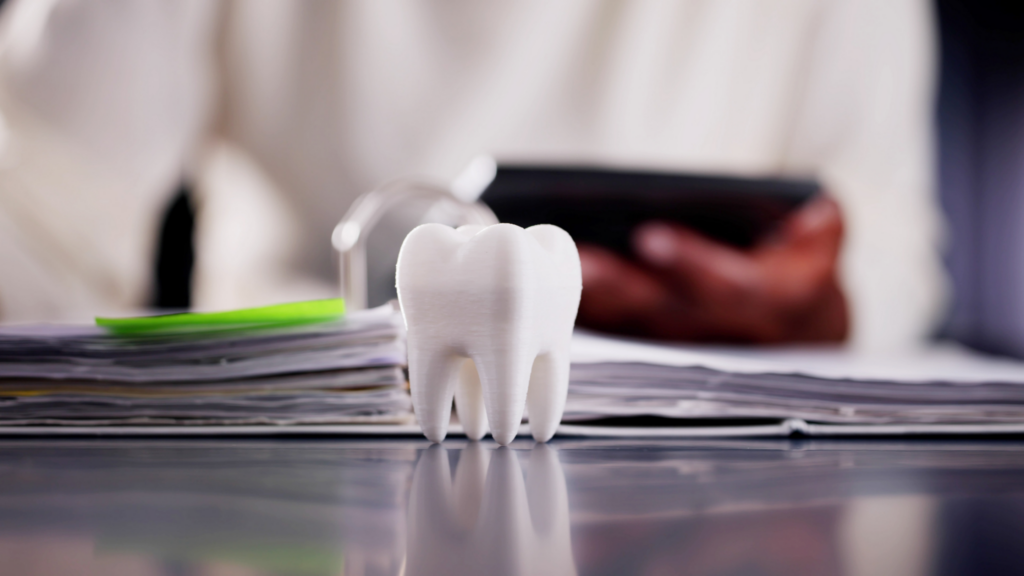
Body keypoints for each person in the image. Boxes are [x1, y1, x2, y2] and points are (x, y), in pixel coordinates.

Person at [0, 0, 945, 351]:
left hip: (717, 479)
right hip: (297, 463)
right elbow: (38, 194)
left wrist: (835, 299)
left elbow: (890, 234)